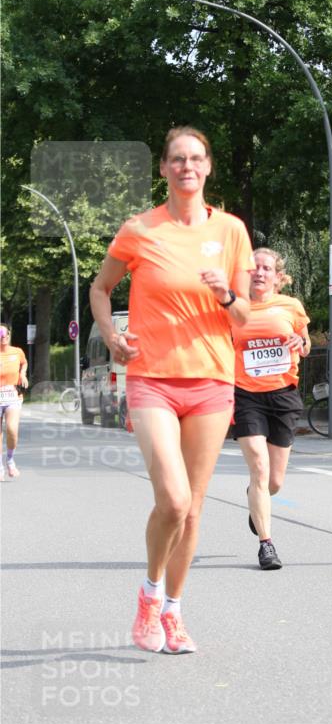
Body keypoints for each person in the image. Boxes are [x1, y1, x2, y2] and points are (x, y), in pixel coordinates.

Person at [90, 126, 254, 654]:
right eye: (177, 159)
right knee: (174, 500)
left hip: (211, 380)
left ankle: (174, 612)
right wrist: (112, 336)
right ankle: (149, 593)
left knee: (194, 508)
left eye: (196, 158)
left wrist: (226, 294)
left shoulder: (231, 231)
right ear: (163, 168)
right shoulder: (140, 229)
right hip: (153, 379)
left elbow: (245, 316)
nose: (187, 166)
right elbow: (100, 288)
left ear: (208, 168)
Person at [230, 248, 310, 570]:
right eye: (254, 268)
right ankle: (266, 545)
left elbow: (305, 344)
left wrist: (299, 342)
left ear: (278, 277)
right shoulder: (234, 309)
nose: (259, 272)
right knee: (259, 469)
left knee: (274, 482)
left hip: (282, 396)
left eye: (266, 268)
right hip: (245, 395)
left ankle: (256, 496)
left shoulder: (291, 306)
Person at [0, 325, 29, 481]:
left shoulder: (17, 352)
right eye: (0, 334)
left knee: (12, 429)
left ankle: (10, 460)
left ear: (9, 335)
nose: (3, 336)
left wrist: (22, 374)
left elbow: (24, 363)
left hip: (13, 397)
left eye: (5, 333)